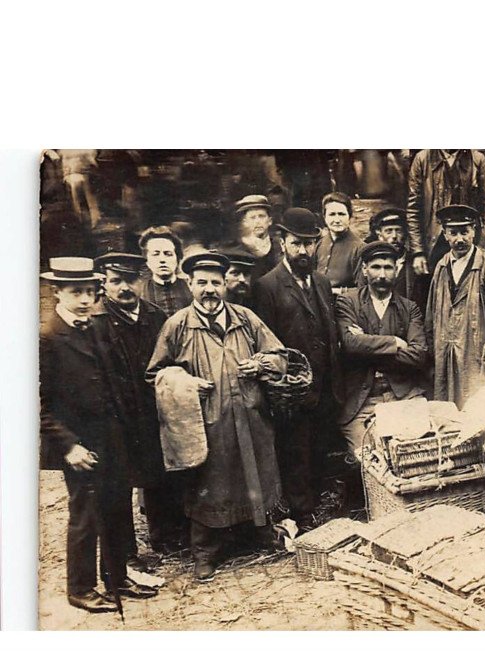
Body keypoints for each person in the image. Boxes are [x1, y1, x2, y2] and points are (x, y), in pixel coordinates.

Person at [146, 252, 288, 581]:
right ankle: (204, 552)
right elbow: (155, 374)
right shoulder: (178, 325)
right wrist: (185, 382)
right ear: (190, 285)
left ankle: (260, 533)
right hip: (205, 422)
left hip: (250, 415)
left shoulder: (246, 318)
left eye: (215, 283)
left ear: (225, 285)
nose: (209, 290)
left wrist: (262, 364)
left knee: (255, 476)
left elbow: (281, 356)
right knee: (209, 484)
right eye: (202, 283)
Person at [40, 257, 158, 613]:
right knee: (86, 513)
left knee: (118, 506)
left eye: (90, 292)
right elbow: (38, 404)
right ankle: (80, 587)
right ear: (58, 292)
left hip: (111, 436)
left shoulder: (95, 326)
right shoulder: (48, 337)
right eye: (76, 292)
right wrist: (69, 446)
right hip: (79, 443)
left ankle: (117, 576)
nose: (84, 299)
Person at [91, 253, 189, 559]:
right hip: (117, 414)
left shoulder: (155, 316)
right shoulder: (97, 322)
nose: (124, 288)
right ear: (104, 284)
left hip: (151, 409)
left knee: (158, 471)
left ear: (141, 281)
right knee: (119, 484)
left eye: (130, 280)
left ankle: (165, 536)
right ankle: (125, 554)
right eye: (116, 281)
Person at [253, 208, 344, 531]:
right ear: (282, 243)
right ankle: (302, 514)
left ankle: (316, 504)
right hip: (292, 389)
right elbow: (267, 342)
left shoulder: (321, 281)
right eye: (296, 244)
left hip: (324, 384)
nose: (303, 251)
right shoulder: (267, 286)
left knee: (319, 447)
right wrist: (283, 385)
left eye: (308, 244)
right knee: (296, 452)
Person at [336, 241, 429, 456]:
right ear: (365, 269)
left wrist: (366, 349)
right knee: (368, 460)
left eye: (388, 267)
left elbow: (418, 355)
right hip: (362, 401)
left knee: (414, 455)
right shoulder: (348, 302)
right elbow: (350, 345)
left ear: (396, 270)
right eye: (376, 267)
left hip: (403, 395)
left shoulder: (409, 308)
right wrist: (394, 342)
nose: (382, 274)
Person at [424, 204, 485, 408]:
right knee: (447, 409)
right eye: (453, 233)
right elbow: (430, 315)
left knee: (476, 406)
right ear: (445, 234)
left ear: (474, 231)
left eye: (465, 232)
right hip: (445, 353)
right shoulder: (441, 266)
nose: (459, 239)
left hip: (474, 350)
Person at [407, 149, 485, 284]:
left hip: (469, 240)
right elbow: (413, 210)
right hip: (434, 243)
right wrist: (418, 252)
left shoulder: (477, 160)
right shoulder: (423, 159)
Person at [314, 191, 365, 292]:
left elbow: (363, 290)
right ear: (324, 218)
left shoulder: (359, 248)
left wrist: (336, 291)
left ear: (349, 217)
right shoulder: (320, 244)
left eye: (341, 214)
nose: (337, 220)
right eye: (332, 214)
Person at [362, 207, 416, 301]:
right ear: (379, 234)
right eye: (388, 231)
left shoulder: (413, 263)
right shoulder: (367, 262)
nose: (394, 236)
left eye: (398, 231)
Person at [139, 225, 193, 315]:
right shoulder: (140, 292)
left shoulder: (191, 287)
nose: (162, 260)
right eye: (155, 254)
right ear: (147, 260)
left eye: (168, 254)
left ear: (178, 258)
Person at [228, 195, 282, 284]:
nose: (257, 221)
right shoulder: (236, 250)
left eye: (261, 216)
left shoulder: (280, 246)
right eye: (252, 217)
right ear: (245, 222)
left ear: (270, 221)